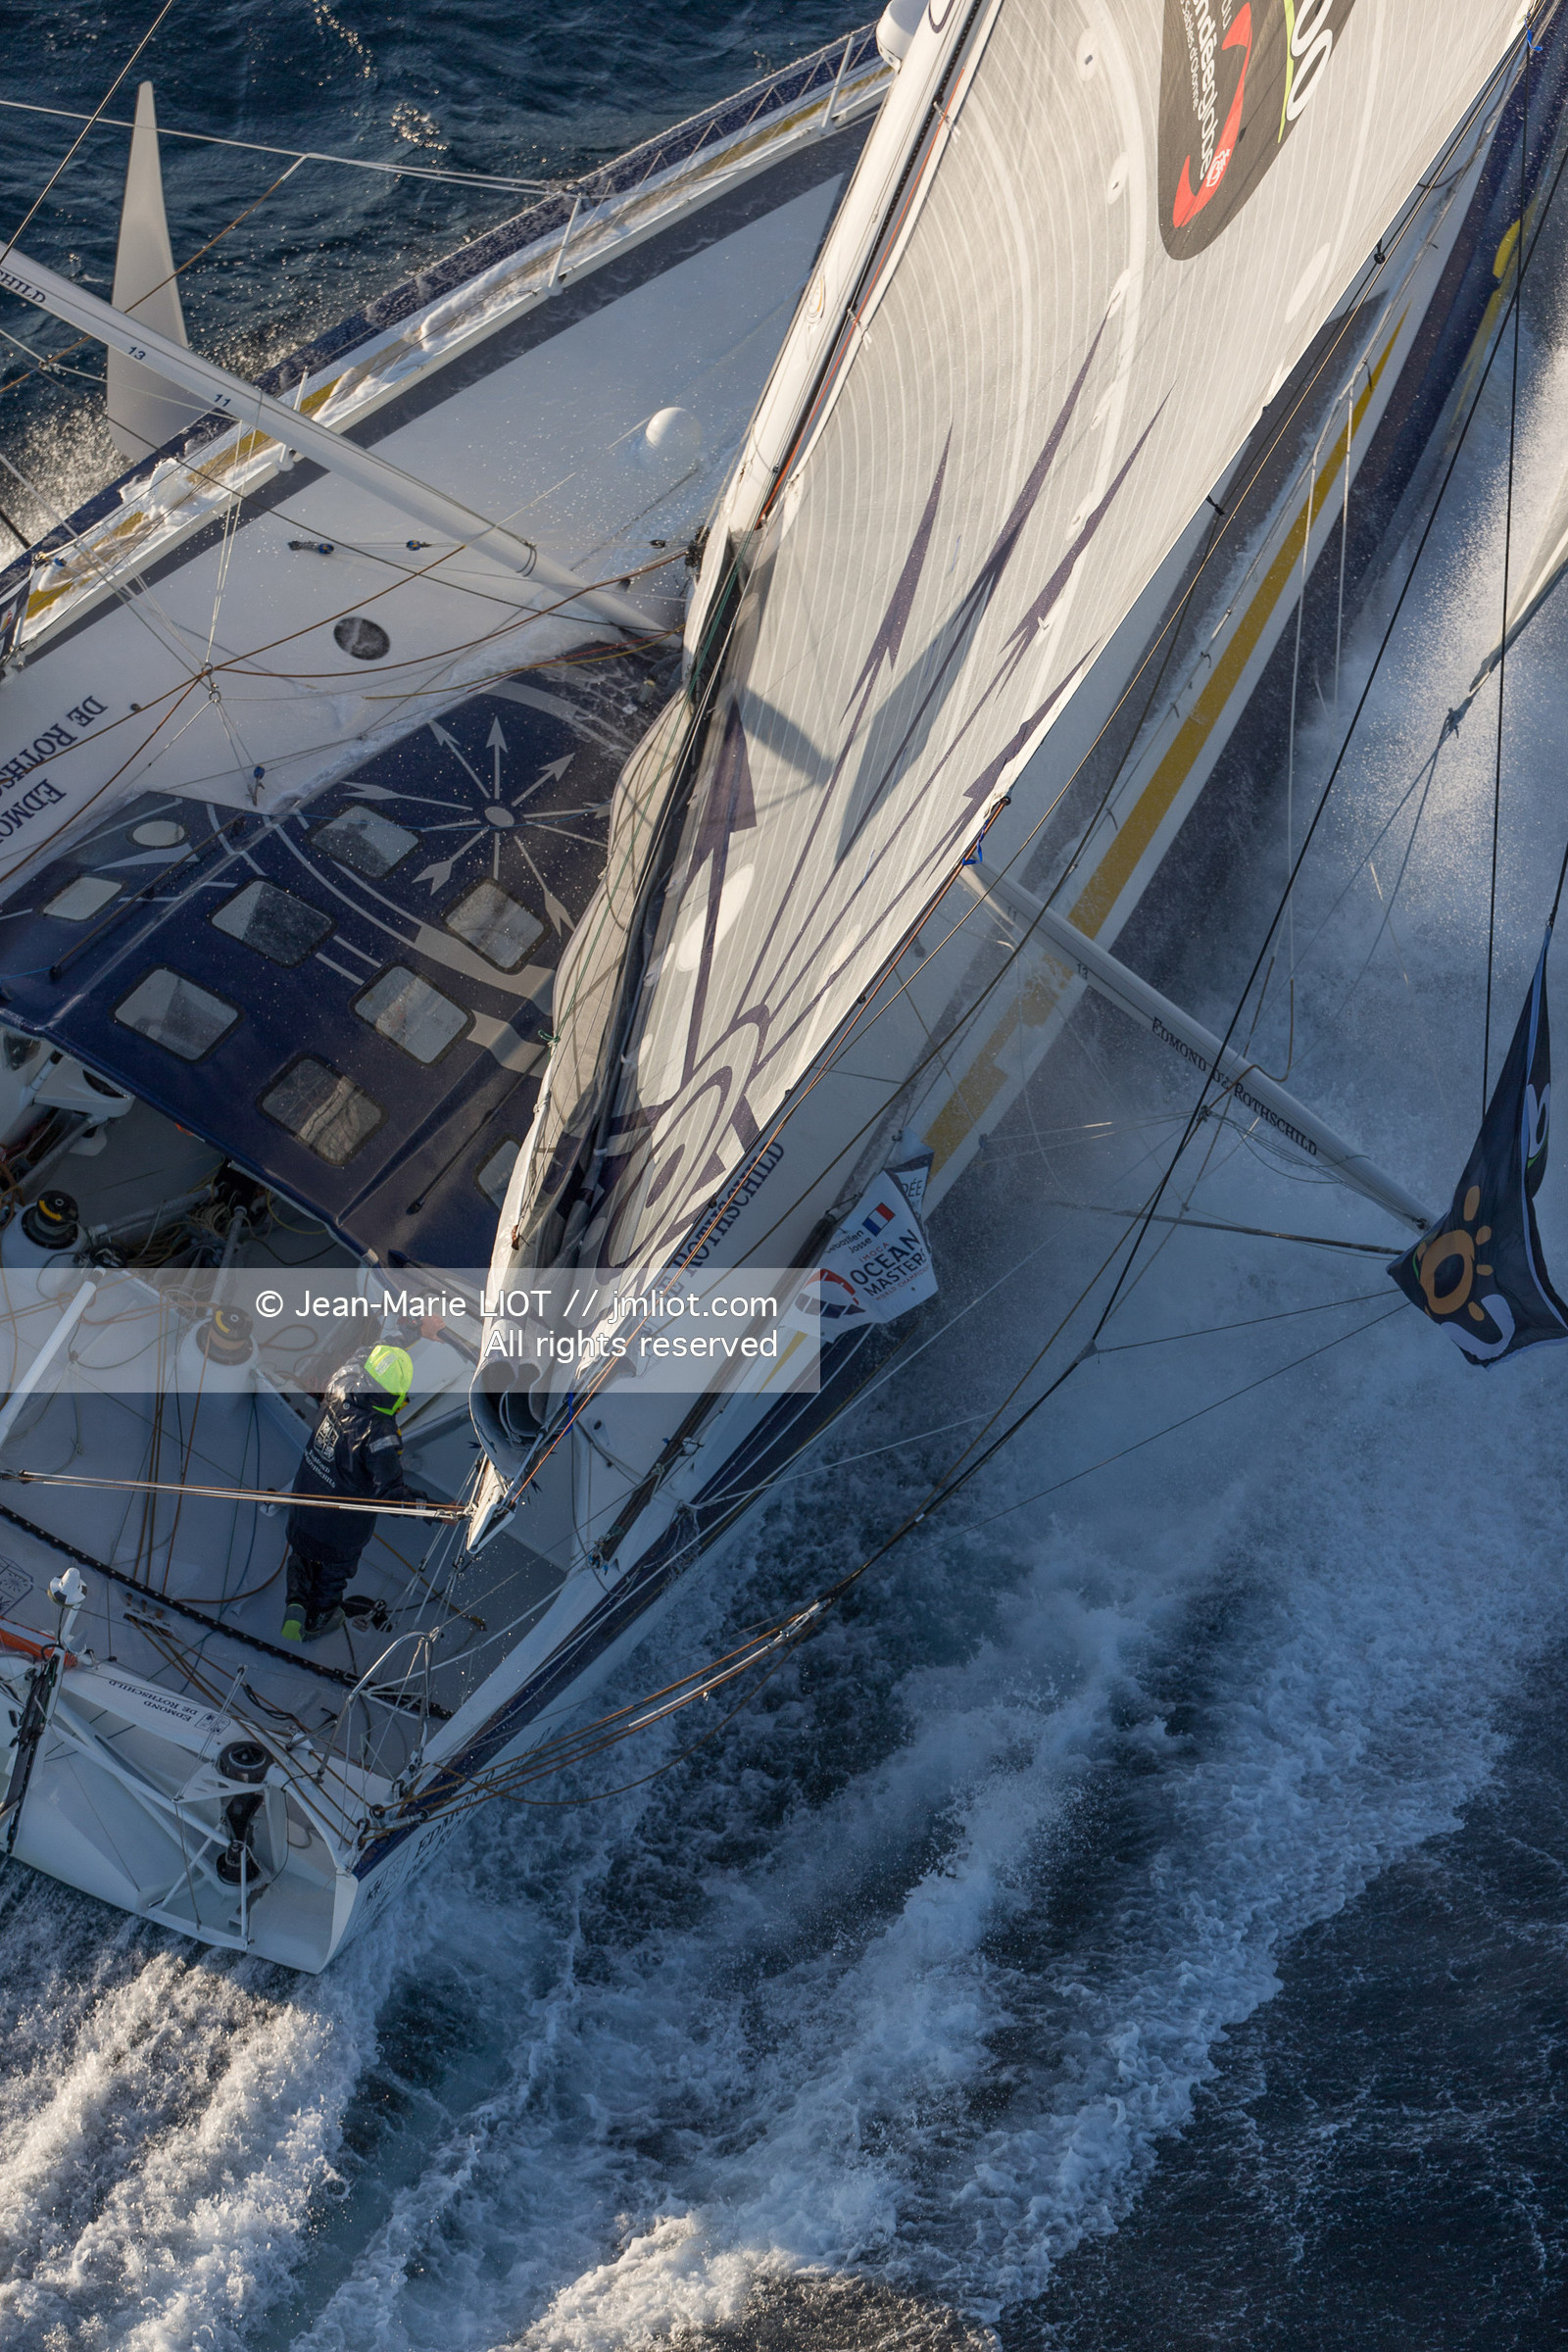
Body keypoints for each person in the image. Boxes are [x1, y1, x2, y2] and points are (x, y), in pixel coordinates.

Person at [280, 1340, 430, 1642]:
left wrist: (404, 1334)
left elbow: (362, 1351)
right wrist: (437, 1511)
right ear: (396, 1397)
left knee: (301, 1554)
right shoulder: (380, 1436)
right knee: (333, 1576)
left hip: (304, 1505)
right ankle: (318, 1619)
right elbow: (391, 1496)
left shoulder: (342, 1379)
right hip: (340, 1531)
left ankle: (296, 1601)